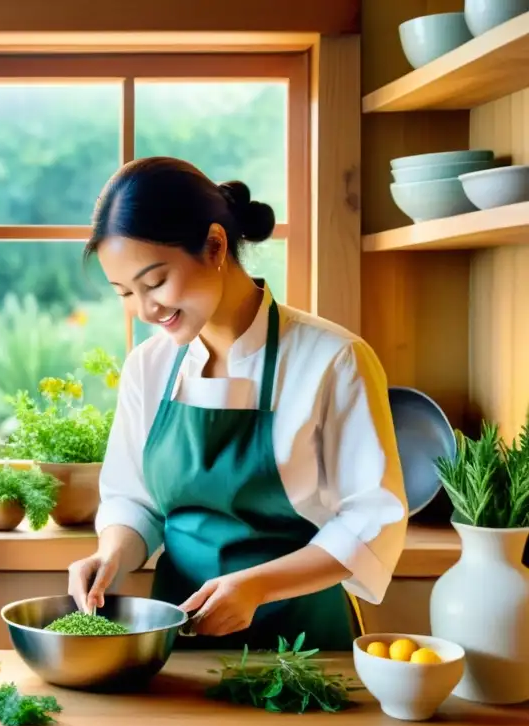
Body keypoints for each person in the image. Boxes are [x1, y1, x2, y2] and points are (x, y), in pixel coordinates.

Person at [68, 156, 409, 651]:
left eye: (156, 281)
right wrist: (112, 556)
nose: (145, 309)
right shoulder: (149, 365)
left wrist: (257, 586)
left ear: (214, 245)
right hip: (178, 637)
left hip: (304, 643)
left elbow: (372, 520)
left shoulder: (334, 359)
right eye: (125, 293)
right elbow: (134, 498)